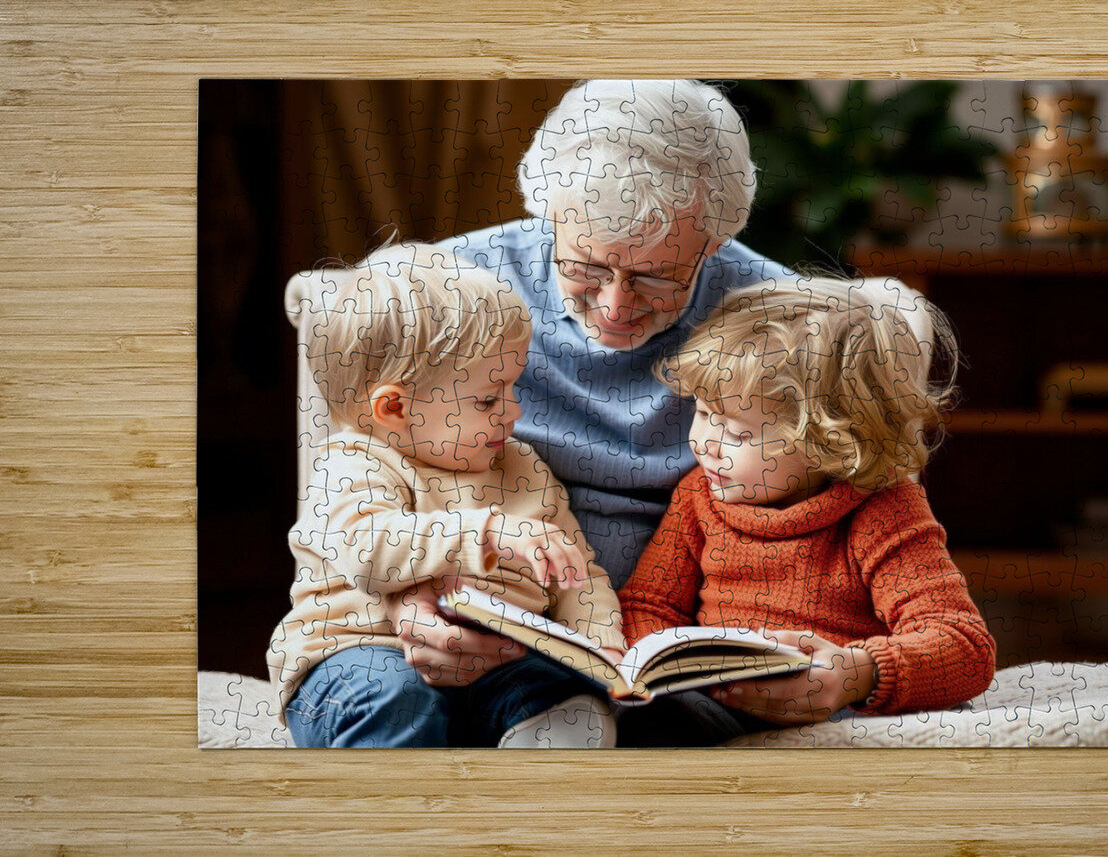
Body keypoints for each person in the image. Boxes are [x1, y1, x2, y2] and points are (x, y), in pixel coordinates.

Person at [389, 79, 934, 726]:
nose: (616, 306)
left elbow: (874, 499)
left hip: (682, 661)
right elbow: (364, 479)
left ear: (715, 241)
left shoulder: (786, 329)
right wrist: (403, 597)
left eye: (657, 276)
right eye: (585, 267)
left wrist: (858, 670)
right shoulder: (444, 293)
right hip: (488, 607)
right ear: (549, 217)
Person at [267, 243, 627, 747]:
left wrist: (602, 645)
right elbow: (369, 549)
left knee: (569, 698)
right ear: (393, 407)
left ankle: (541, 809)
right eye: (487, 398)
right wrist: (491, 531)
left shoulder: (522, 467)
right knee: (393, 696)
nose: (514, 412)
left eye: (512, 388)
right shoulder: (350, 462)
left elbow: (577, 576)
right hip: (358, 655)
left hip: (501, 663)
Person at [614, 276, 997, 746]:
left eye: (736, 433)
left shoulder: (884, 508)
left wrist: (854, 674)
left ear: (828, 441)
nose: (705, 445)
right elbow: (649, 603)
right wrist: (656, 667)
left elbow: (963, 645)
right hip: (713, 700)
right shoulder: (699, 495)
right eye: (702, 413)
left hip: (830, 708)